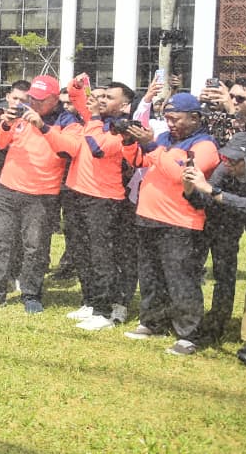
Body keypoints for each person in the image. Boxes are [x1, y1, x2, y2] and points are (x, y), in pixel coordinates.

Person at [123, 93, 220, 355]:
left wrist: (153, 147)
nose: (170, 124)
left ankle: (188, 334)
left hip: (181, 222)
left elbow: (180, 174)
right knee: (151, 276)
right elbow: (139, 162)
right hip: (148, 216)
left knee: (181, 280)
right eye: (166, 118)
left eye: (175, 119)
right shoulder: (164, 139)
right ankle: (152, 321)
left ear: (195, 118)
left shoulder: (205, 146)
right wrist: (132, 142)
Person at [40, 79, 140, 330]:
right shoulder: (96, 119)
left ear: (125, 105)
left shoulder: (125, 130)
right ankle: (91, 301)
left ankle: (105, 311)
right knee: (80, 252)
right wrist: (81, 82)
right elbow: (75, 93)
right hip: (77, 194)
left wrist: (93, 115)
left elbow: (97, 148)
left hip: (102, 200)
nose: (102, 100)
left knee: (101, 256)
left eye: (109, 97)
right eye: (101, 95)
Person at [0, 75, 66, 314]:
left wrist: (42, 126)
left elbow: (68, 148)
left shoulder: (65, 120)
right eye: (31, 97)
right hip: (7, 190)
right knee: (0, 243)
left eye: (39, 99)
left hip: (41, 194)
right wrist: (5, 124)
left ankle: (31, 293)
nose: (33, 102)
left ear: (54, 100)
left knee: (35, 246)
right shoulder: (19, 116)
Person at [183, 137, 246, 371]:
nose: (228, 164)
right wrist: (190, 187)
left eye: (235, 160)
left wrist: (213, 190)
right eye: (226, 158)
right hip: (243, 228)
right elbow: (202, 198)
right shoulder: (226, 166)